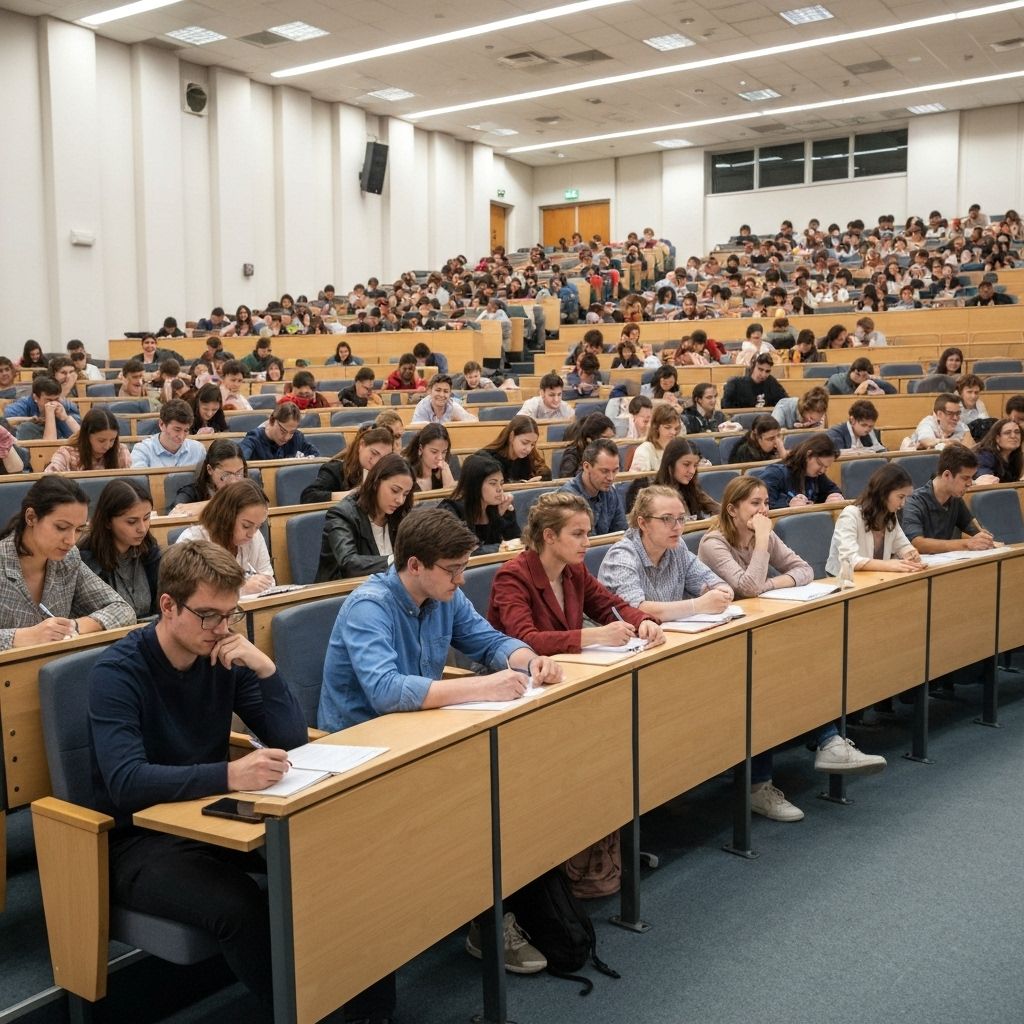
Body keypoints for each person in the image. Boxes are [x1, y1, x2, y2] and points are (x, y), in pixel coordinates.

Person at [86, 540, 307, 1012]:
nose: (221, 629)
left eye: (230, 615)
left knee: (322, 856)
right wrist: (229, 775)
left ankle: (361, 1007)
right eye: (208, 615)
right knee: (238, 905)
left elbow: (290, 738)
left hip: (211, 818)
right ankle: (298, 1012)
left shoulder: (224, 655)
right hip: (137, 841)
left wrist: (266, 668)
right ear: (168, 606)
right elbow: (127, 782)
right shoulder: (117, 673)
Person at [698, 476, 886, 821]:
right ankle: (761, 784)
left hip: (756, 631)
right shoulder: (714, 543)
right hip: (721, 644)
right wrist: (763, 543)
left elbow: (803, 570)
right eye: (755, 503)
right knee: (765, 684)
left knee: (804, 663)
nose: (763, 511)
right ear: (732, 509)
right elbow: (748, 587)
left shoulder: (763, 535)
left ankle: (830, 742)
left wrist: (768, 581)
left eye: (766, 503)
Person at [319, 506, 562, 726]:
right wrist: (483, 685)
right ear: (415, 566)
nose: (461, 579)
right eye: (452, 569)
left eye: (463, 567)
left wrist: (532, 662)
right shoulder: (368, 607)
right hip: (359, 737)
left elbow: (491, 642)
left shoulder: (446, 595)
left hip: (417, 723)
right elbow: (386, 691)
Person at [487, 492, 662, 654]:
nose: (587, 543)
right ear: (549, 536)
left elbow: (609, 606)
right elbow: (524, 640)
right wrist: (594, 635)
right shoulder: (512, 577)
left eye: (587, 534)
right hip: (519, 671)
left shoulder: (575, 569)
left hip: (566, 664)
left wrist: (643, 621)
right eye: (578, 534)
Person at [0, 476, 135, 650]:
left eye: (79, 529)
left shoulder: (69, 559)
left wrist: (73, 627)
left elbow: (123, 610)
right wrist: (24, 636)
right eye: (61, 527)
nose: (71, 541)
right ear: (31, 517)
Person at [598, 485, 733, 621]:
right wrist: (697, 605)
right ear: (643, 523)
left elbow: (714, 582)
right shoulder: (621, 556)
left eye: (681, 518)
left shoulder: (677, 547)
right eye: (667, 519)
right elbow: (634, 611)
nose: (678, 527)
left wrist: (721, 592)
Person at [315, 454, 415, 581]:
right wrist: (395, 560)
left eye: (405, 494)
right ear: (376, 483)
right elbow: (349, 563)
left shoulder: (400, 515)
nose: (400, 500)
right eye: (395, 490)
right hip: (343, 590)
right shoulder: (342, 514)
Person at [79, 480, 163, 618]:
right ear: (107, 521)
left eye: (146, 518)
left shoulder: (150, 552)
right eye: (132, 522)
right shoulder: (86, 560)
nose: (142, 529)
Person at [175, 479, 275, 595]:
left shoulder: (255, 536)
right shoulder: (192, 540)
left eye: (258, 527)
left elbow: (269, 580)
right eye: (246, 526)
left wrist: (260, 584)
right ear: (227, 516)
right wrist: (240, 589)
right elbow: (187, 593)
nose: (251, 534)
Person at [825, 464, 922, 576]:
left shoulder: (890, 516)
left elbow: (902, 546)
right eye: (900, 497)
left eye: (906, 498)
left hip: (873, 579)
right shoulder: (850, 515)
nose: (903, 504)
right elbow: (849, 559)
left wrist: (910, 554)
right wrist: (888, 565)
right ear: (884, 492)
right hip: (842, 581)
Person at [901, 446, 995, 554]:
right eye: (965, 478)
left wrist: (985, 538)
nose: (970, 483)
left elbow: (974, 529)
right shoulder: (913, 502)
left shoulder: (955, 499)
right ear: (946, 475)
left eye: (972, 478)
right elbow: (917, 543)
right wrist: (966, 543)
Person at [439, 454, 521, 554]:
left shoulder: (496, 507)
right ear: (475, 485)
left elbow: (517, 543)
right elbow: (466, 551)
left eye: (501, 483)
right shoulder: (450, 510)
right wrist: (501, 547)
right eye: (493, 483)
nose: (500, 489)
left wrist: (504, 516)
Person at [626, 437, 720, 517]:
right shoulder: (643, 487)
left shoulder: (692, 488)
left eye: (695, 465)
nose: (692, 471)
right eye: (686, 464)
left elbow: (718, 509)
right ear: (670, 463)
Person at [300, 426, 394, 503]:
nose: (376, 461)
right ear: (362, 445)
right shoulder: (335, 470)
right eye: (374, 453)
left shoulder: (385, 476)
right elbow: (309, 496)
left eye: (383, 459)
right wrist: (349, 494)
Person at [557, 438, 627, 535]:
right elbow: (584, 540)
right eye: (604, 471)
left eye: (615, 470)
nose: (611, 478)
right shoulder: (568, 497)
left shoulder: (611, 492)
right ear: (586, 467)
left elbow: (622, 532)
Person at [760, 434, 845, 509]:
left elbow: (833, 490)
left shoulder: (817, 475)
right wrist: (788, 504)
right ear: (808, 455)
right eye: (819, 464)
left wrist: (834, 496)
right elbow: (763, 504)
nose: (822, 471)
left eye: (826, 467)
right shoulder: (775, 473)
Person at [43, 407, 131, 473]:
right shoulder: (67, 454)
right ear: (87, 436)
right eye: (101, 440)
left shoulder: (121, 451)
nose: (107, 446)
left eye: (112, 440)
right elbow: (49, 479)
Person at [169, 440, 247, 513]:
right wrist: (220, 502)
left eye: (239, 472)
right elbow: (176, 512)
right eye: (227, 474)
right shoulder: (192, 493)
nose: (233, 481)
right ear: (209, 469)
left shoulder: (249, 489)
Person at [129, 399, 206, 468]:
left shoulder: (198, 450)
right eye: (177, 430)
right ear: (161, 424)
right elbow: (137, 479)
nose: (181, 436)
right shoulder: (143, 450)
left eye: (186, 431)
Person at [474, 415, 550, 482]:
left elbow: (545, 472)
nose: (529, 449)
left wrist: (541, 478)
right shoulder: (487, 458)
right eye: (524, 443)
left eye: (532, 444)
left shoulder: (529, 456)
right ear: (511, 436)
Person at [6, 375, 81, 440]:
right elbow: (5, 422)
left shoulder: (63, 406)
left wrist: (66, 418)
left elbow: (82, 439)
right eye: (49, 400)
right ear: (35, 397)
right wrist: (30, 419)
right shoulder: (22, 406)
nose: (54, 403)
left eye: (56, 399)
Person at [238, 402, 320, 461]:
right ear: (272, 421)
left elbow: (316, 457)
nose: (286, 438)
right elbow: (239, 461)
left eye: (291, 432)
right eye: (283, 431)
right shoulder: (253, 439)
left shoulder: (297, 437)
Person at [902, 393, 971, 450]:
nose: (955, 418)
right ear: (939, 414)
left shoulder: (961, 426)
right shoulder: (927, 422)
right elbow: (926, 441)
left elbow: (969, 449)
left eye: (958, 413)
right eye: (950, 414)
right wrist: (947, 442)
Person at [559, 413, 617, 478]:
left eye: (612, 438)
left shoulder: (613, 453)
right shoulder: (572, 455)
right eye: (604, 438)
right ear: (589, 439)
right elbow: (566, 481)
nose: (609, 442)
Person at [721, 353, 788, 410]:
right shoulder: (735, 384)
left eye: (767, 371)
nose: (763, 374)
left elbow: (785, 402)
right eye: (760, 369)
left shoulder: (772, 382)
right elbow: (726, 408)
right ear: (752, 367)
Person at [402, 423, 456, 491]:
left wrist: (446, 473)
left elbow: (451, 496)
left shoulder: (444, 471)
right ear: (421, 449)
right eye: (434, 452)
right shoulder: (407, 475)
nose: (440, 458)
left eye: (443, 452)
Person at [630, 404, 683, 473]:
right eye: (667, 427)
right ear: (656, 427)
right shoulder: (644, 450)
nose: (673, 432)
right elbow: (639, 478)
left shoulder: (678, 449)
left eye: (676, 428)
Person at [972, 418, 1023, 484]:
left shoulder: (1016, 456)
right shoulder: (984, 455)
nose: (1013, 436)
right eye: (1007, 433)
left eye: (1017, 432)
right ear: (997, 438)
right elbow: (986, 480)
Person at [411, 374, 478, 424]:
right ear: (430, 391)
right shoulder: (422, 407)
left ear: (450, 393)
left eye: (446, 391)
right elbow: (415, 431)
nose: (442, 395)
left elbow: (474, 422)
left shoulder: (453, 407)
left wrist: (458, 423)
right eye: (438, 390)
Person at [826, 357, 895, 397]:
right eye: (864, 376)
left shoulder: (870, 380)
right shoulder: (835, 381)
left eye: (866, 376)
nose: (865, 378)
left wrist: (882, 392)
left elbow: (893, 391)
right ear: (854, 371)